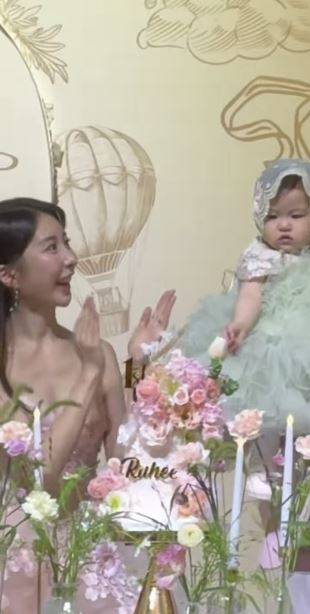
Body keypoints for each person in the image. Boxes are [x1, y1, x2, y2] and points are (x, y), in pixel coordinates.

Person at [0, 197, 175, 611]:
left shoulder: (100, 353)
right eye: (51, 247)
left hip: (92, 557)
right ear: (9, 274)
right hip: (18, 559)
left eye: (67, 243)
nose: (71, 258)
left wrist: (138, 366)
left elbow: (124, 460)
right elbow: (41, 478)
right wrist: (89, 374)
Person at [181, 159, 310, 438]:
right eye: (272, 217)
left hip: (308, 340)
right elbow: (251, 294)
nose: (283, 225)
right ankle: (267, 446)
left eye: (296, 216)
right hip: (268, 343)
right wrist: (240, 325)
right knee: (265, 396)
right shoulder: (261, 255)